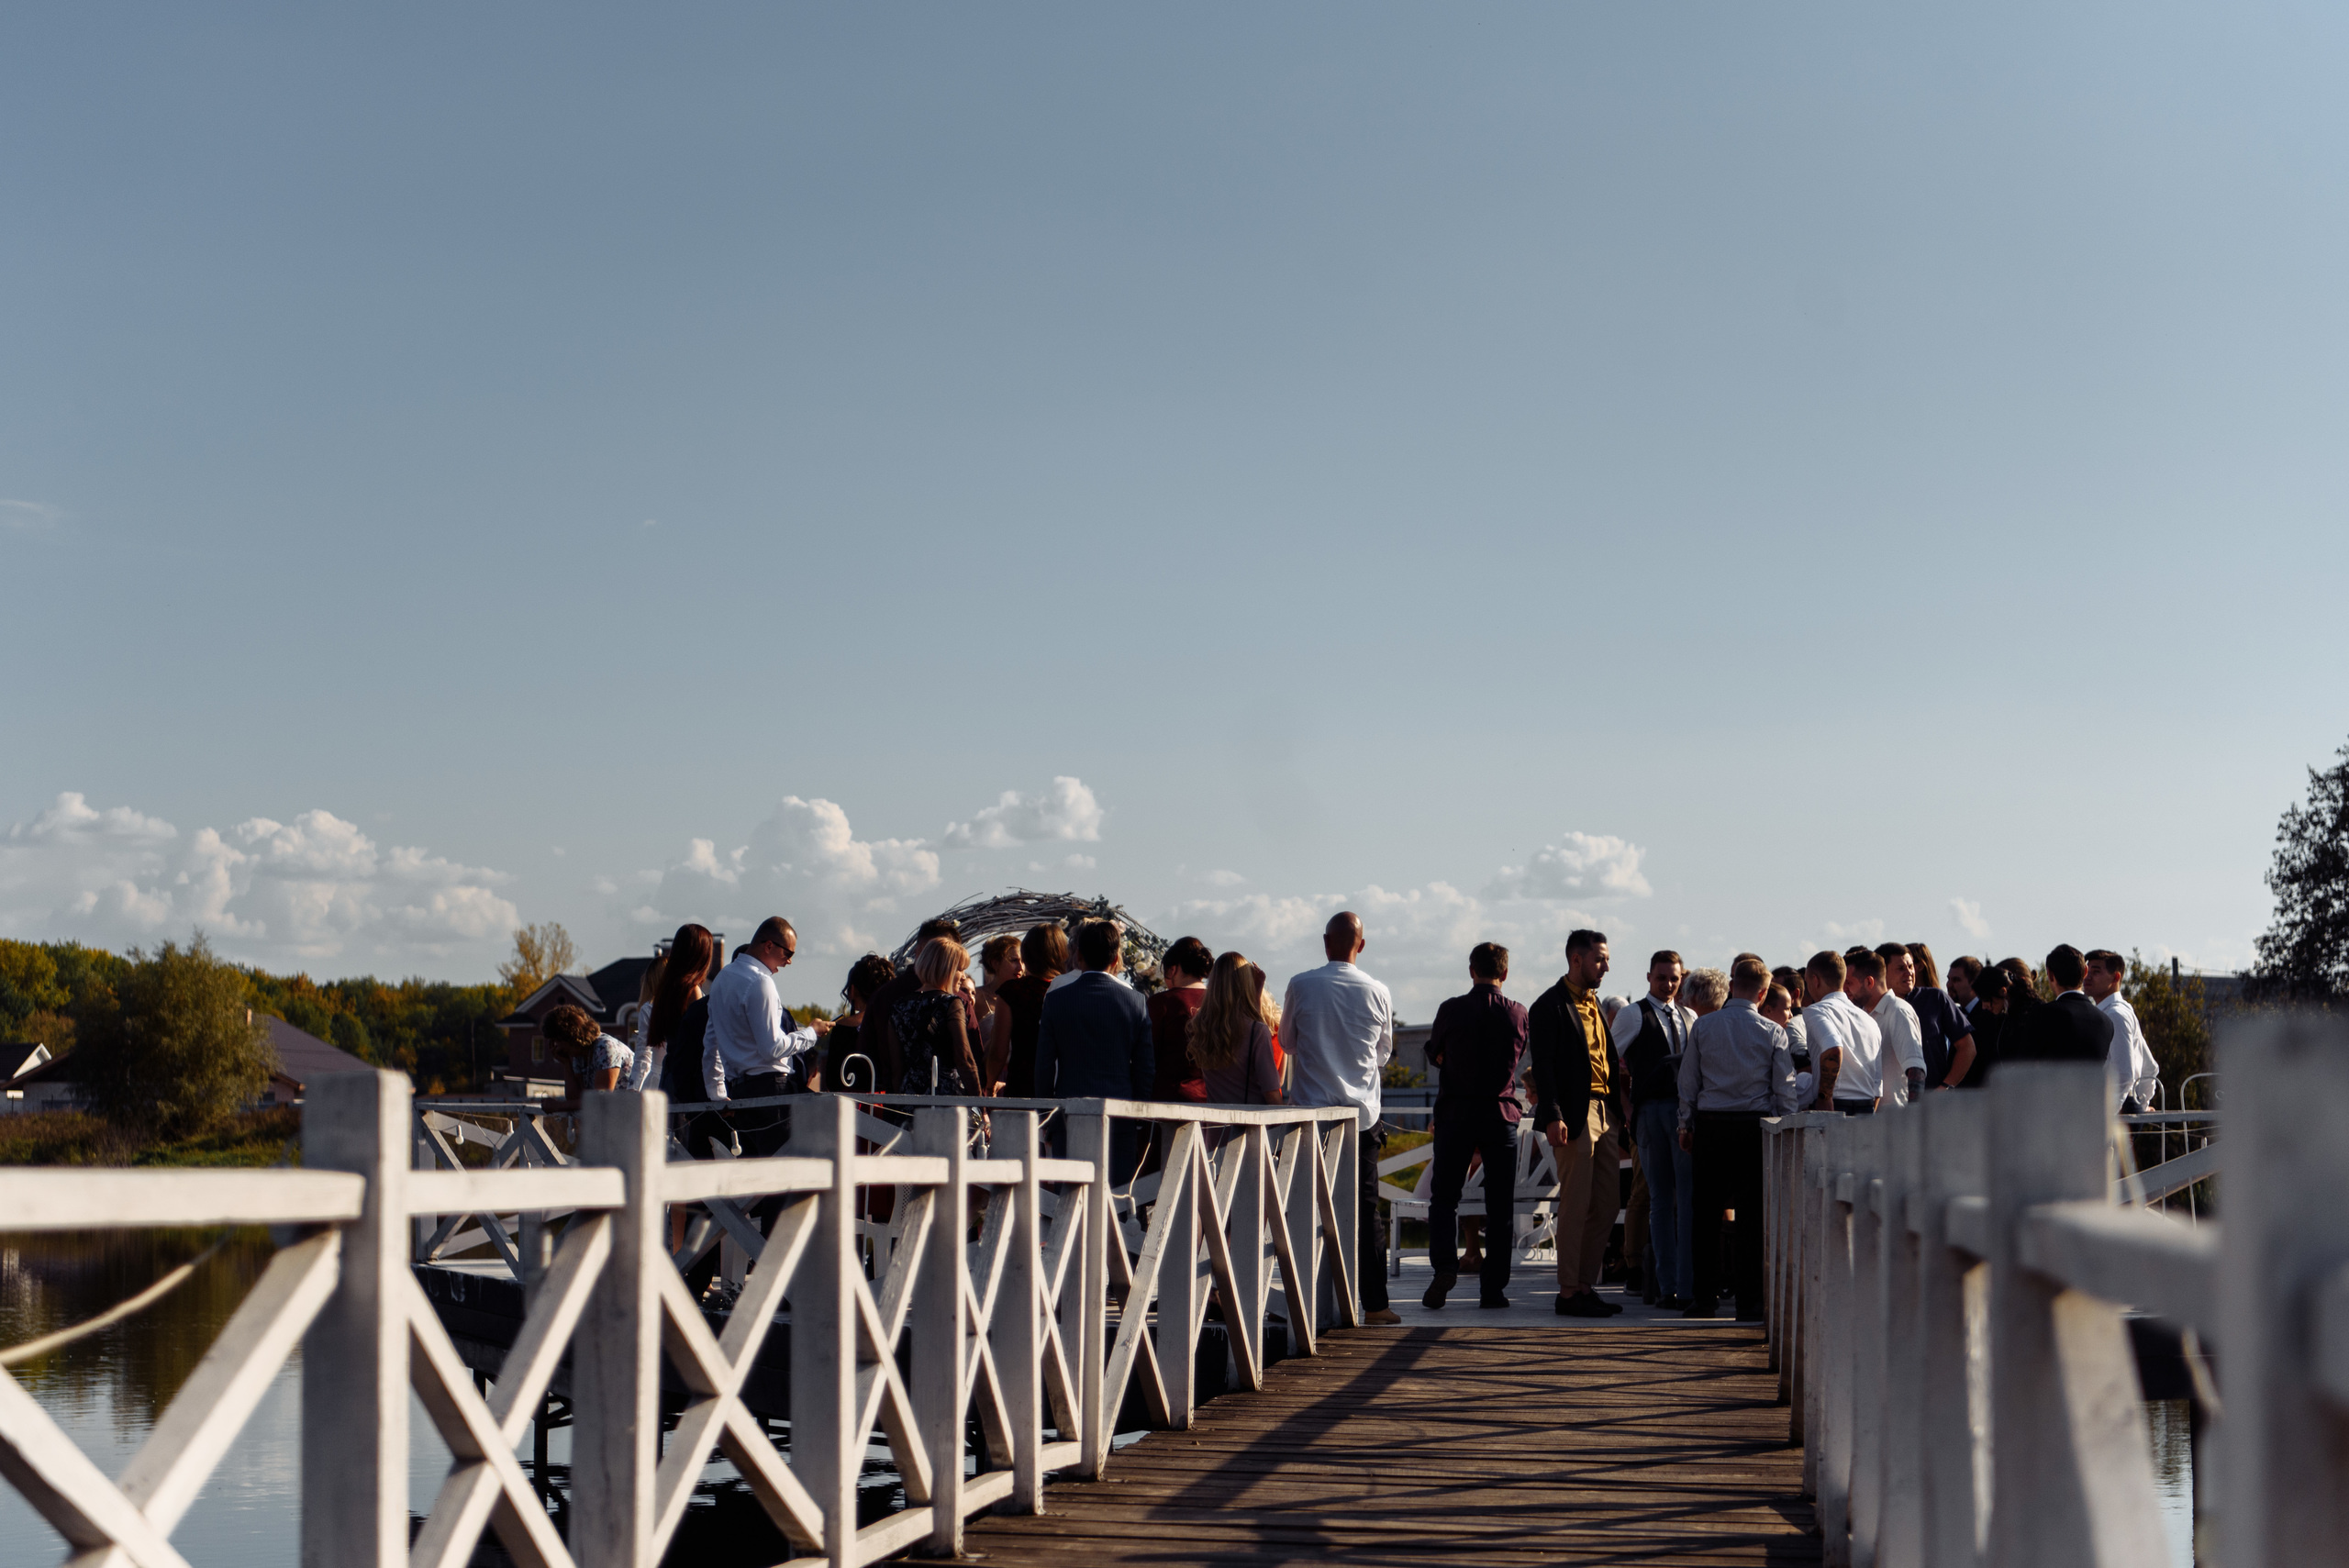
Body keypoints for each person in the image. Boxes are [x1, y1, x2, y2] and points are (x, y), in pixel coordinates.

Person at [1280, 910, 1401, 1325]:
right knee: (1367, 1211)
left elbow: (1287, 1043)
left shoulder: (1300, 985)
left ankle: (1304, 1302)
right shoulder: (1378, 991)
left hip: (1310, 1116)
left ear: (1325, 942)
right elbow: (1383, 1054)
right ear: (1361, 945)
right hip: (1361, 1118)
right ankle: (1376, 1305)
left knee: (1304, 1206)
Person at [1677, 957, 1799, 1319]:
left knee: (1705, 1216)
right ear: (1763, 994)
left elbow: (1688, 1082)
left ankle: (1704, 1298)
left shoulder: (1703, 1026)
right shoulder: (1773, 1032)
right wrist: (1786, 1128)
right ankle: (1749, 1302)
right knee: (1751, 1217)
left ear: (1732, 987)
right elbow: (1785, 1090)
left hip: (1711, 1126)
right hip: (1752, 1128)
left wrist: (1685, 1125)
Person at [1422, 943, 1529, 1310]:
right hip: (1500, 1115)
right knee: (1500, 1205)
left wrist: (1444, 1056)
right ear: (1505, 973)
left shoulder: (1451, 1009)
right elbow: (1517, 1055)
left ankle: (1444, 1267)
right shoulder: (1517, 1013)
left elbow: (1434, 1050)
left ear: (1472, 970)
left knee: (1444, 1199)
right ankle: (1493, 1288)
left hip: (1456, 1113)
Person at [1528, 929, 1627, 1318]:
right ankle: (1568, 1292)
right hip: (1574, 1112)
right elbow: (1544, 1066)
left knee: (1608, 1203)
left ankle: (1585, 1286)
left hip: (1606, 1111)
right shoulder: (1548, 1005)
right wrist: (1552, 1114)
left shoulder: (1595, 1002)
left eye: (1606, 959)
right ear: (1576, 959)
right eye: (1600, 959)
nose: (1606, 966)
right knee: (1576, 1202)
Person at [1035, 919, 1156, 1177]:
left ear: (1078, 955)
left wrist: (1046, 1114)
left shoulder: (1056, 1000)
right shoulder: (1136, 1002)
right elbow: (1145, 1067)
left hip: (1069, 1111)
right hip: (1120, 1113)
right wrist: (1138, 1113)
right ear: (1116, 959)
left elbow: (1044, 1065)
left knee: (1069, 1192)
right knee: (1117, 1193)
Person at [1610, 950, 1695, 1311]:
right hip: (1649, 1111)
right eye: (1661, 977)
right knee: (1660, 1199)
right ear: (1649, 977)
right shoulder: (1633, 1014)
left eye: (1674, 978)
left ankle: (1687, 1285)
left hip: (1683, 1111)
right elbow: (1607, 1063)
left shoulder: (1689, 1016)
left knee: (1686, 1198)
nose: (1668, 984)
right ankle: (1668, 1285)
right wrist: (1627, 1108)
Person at [707, 917, 831, 1155]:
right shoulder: (761, 982)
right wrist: (811, 1033)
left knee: (758, 1169)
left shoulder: (722, 979)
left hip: (740, 1093)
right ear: (769, 946)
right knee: (787, 1166)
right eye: (788, 953)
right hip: (771, 1092)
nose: (789, 961)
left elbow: (711, 1043)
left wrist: (718, 1094)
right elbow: (771, 1048)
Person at [862, 918, 973, 1092]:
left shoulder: (891, 1001)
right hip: (947, 1095)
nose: (963, 976)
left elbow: (874, 1057)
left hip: (904, 1093)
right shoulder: (955, 1001)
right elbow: (968, 1057)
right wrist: (980, 1099)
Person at [1189, 951, 1284, 1109]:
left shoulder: (1202, 1027)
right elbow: (1271, 1091)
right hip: (1249, 1122)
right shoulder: (1257, 1031)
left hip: (1215, 1122)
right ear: (1245, 984)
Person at [893, 937, 985, 1096]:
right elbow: (965, 1060)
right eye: (960, 969)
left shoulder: (899, 1006)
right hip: (945, 1096)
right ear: (946, 969)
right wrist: (980, 1103)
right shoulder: (951, 1003)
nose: (964, 977)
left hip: (910, 1095)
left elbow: (896, 1066)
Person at [1802, 951, 1886, 1114]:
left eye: (1807, 982)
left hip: (1835, 1105)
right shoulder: (1869, 1020)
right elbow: (1877, 1083)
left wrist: (1825, 1098)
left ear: (1815, 980)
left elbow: (1833, 1047)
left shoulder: (1816, 1011)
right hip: (1867, 1107)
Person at [2007, 945, 2115, 1065]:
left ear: (2050, 974)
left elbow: (2023, 1066)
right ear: (2085, 971)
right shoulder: (2106, 1022)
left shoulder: (2042, 1015)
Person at [993, 924, 1064, 1097]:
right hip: (1061, 1083)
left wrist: (989, 1084)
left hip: (1022, 1082)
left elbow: (999, 1051)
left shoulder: (1011, 991)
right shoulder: (1068, 989)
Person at [2084, 950, 2161, 1110]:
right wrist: (2141, 1105)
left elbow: (2124, 1075)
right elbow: (2150, 1067)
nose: (2087, 977)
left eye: (2096, 972)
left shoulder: (2115, 1015)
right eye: (2087, 971)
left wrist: (2111, 1113)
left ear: (2115, 977)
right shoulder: (2118, 1011)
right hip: (2121, 1106)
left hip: (2116, 1109)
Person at [1898, 941, 1976, 1090]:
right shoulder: (1878, 1004)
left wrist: (1944, 1087)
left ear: (1919, 966)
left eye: (1909, 965)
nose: (1907, 972)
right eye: (1900, 967)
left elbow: (1967, 1047)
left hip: (1931, 1094)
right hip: (1892, 1098)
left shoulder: (1936, 999)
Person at [1853, 949, 1925, 1106]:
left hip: (1897, 1117)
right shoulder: (1862, 1016)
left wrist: (1913, 1115)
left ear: (1869, 982)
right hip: (1872, 1117)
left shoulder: (1899, 1011)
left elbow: (1915, 1068)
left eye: (1849, 983)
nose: (1845, 989)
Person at [1149, 936, 1214, 1102]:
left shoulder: (1163, 1002)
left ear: (1173, 969)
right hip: (1214, 1097)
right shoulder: (1219, 1001)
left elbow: (1148, 1054)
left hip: (1171, 1096)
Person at [824, 952, 896, 1092]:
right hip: (889, 1101)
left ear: (852, 990)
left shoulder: (843, 1029)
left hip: (852, 1103)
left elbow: (832, 1081)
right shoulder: (895, 1022)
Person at [541, 1003, 630, 1106]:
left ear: (569, 1037)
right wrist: (566, 1064)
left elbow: (600, 1099)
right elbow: (575, 1098)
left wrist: (558, 1106)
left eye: (557, 1041)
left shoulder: (605, 1048)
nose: (557, 1047)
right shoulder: (580, 1055)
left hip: (634, 1111)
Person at [973, 935, 1026, 1095]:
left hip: (1020, 1078)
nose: (1020, 967)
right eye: (1014, 961)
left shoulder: (1026, 997)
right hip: (989, 1079)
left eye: (1023, 961)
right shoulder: (977, 997)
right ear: (995, 963)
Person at [625, 951, 666, 1092]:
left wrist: (634, 1087)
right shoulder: (689, 1004)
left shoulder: (649, 1009)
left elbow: (643, 1054)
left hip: (657, 1080)